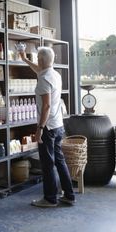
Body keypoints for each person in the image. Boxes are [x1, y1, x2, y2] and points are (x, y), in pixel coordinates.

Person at [19, 46, 75, 207]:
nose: (37, 62)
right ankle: (69, 195)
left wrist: (39, 129)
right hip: (58, 125)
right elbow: (39, 70)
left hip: (48, 128)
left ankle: (50, 198)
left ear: (42, 60)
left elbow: (46, 106)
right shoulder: (54, 74)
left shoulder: (44, 79)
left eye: (37, 59)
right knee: (59, 161)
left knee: (47, 164)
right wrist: (24, 59)